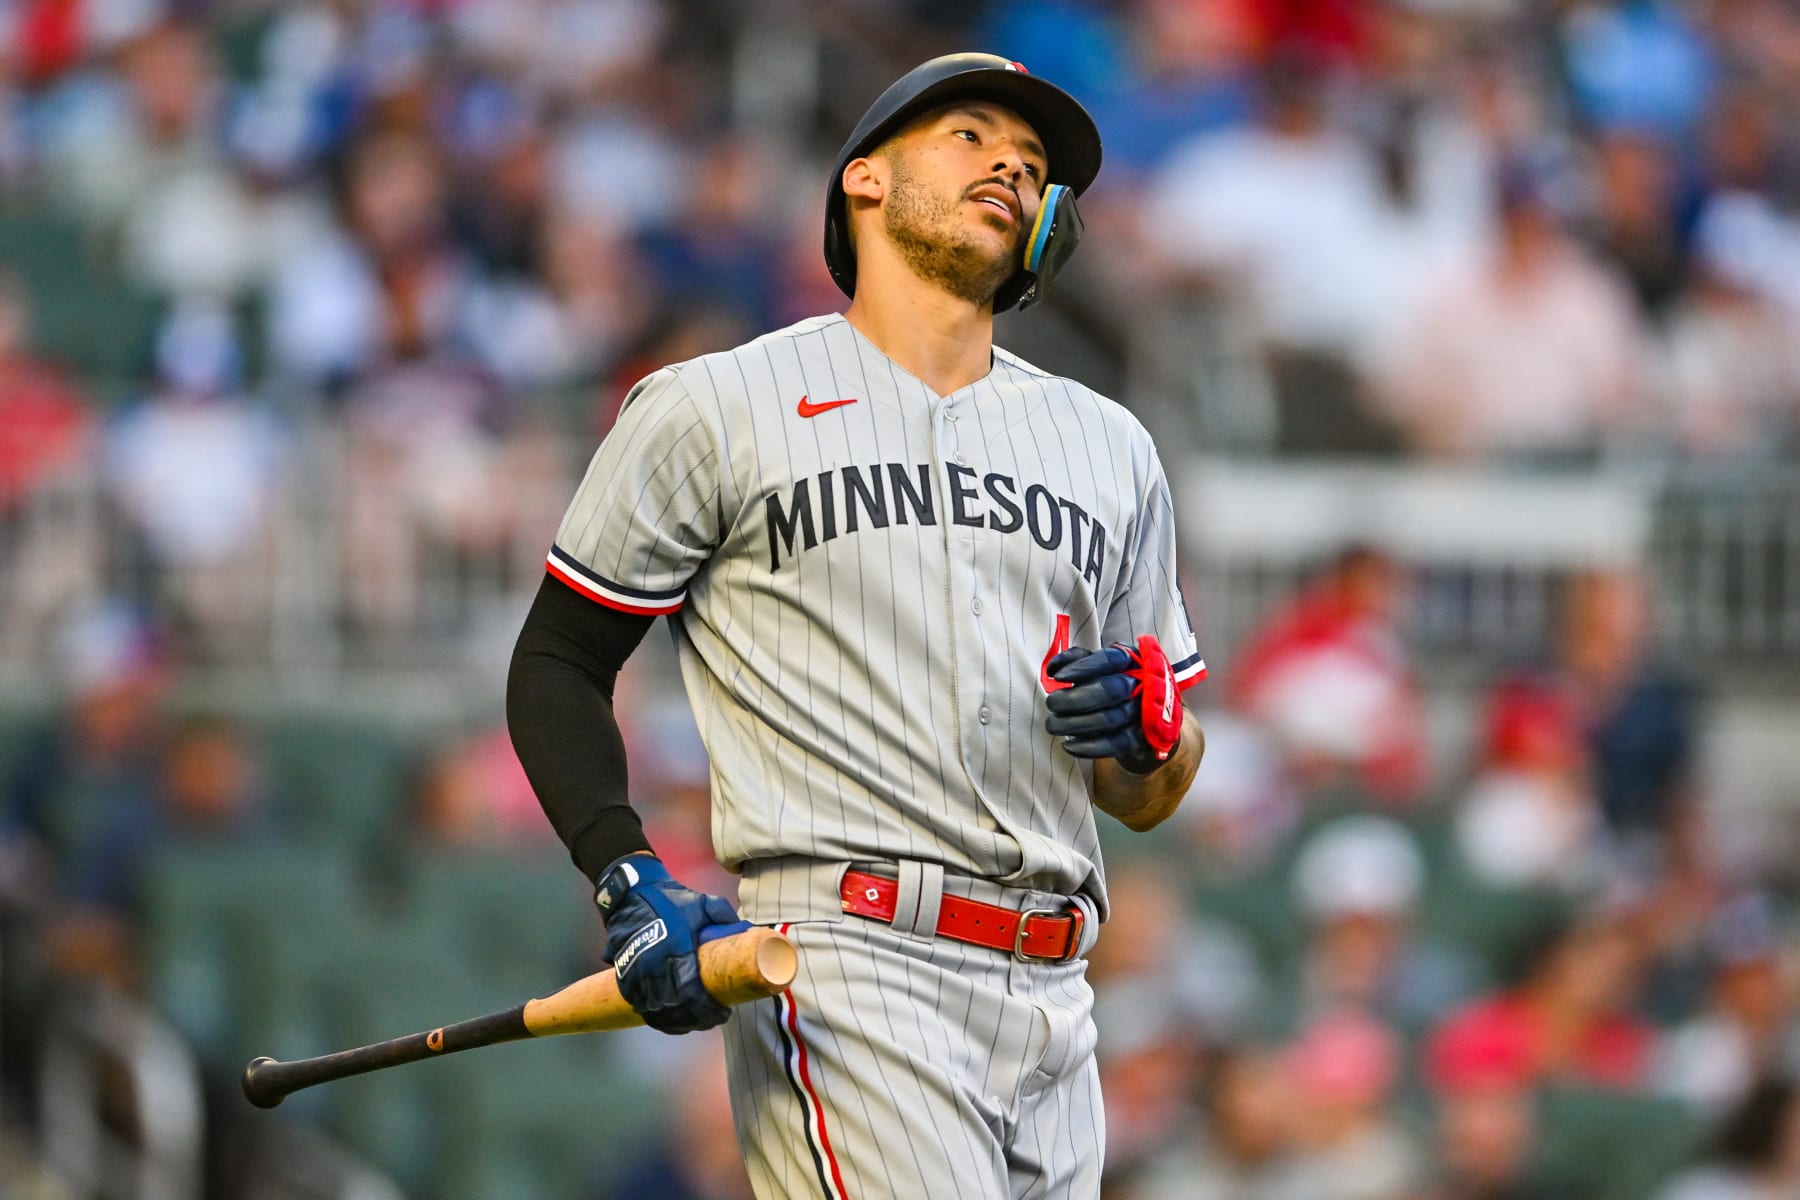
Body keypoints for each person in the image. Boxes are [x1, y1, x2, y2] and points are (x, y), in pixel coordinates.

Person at [507, 52, 1207, 1199]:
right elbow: (558, 661)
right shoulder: (719, 403)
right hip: (847, 961)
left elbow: (1154, 792)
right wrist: (624, 872)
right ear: (864, 180)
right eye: (971, 138)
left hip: (1057, 999)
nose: (1011, 169)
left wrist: (1152, 734)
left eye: (1031, 168)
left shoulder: (1109, 445)